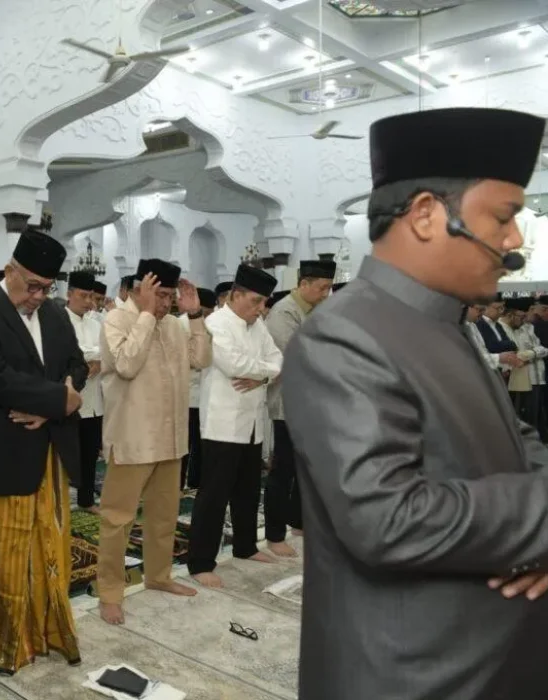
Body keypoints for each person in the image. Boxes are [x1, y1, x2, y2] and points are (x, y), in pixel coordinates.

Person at [284, 107, 548, 700]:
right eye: (503, 217)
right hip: (416, 676)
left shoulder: (441, 322)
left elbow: (515, 441)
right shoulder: (344, 335)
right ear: (427, 214)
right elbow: (388, 519)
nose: (514, 241)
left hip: (490, 662)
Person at [0, 229, 87, 675]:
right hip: (3, 453)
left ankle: (48, 633)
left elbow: (76, 364)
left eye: (46, 288)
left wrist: (57, 405)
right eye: (32, 285)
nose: (38, 296)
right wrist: (59, 401)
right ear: (10, 270)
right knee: (4, 552)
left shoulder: (54, 314)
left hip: (49, 451)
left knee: (50, 547)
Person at [97, 260, 212, 625]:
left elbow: (202, 359)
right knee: (118, 520)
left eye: (169, 296)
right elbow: (126, 365)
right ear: (138, 289)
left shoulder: (175, 325)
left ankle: (159, 576)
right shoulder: (117, 320)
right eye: (159, 295)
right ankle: (109, 592)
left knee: (164, 516)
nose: (165, 303)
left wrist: (195, 316)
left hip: (170, 438)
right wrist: (146, 315)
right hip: (132, 437)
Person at [187, 264, 281, 588]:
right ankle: (200, 562)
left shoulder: (258, 326)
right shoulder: (216, 324)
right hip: (223, 423)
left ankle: (245, 546)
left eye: (264, 303)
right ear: (235, 295)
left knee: (248, 490)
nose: (261, 309)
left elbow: (278, 359)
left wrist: (262, 377)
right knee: (214, 495)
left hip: (252, 422)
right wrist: (265, 372)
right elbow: (233, 365)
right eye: (256, 301)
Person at [263, 260, 334, 556]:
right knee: (283, 470)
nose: (326, 294)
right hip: (288, 404)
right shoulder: (284, 312)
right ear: (304, 284)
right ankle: (274, 534)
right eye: (322, 288)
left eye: (329, 288)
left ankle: (299, 521)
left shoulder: (317, 310)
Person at [64, 271, 103, 512]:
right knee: (66, 454)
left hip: (95, 399)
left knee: (90, 453)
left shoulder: (96, 323)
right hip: (70, 399)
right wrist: (93, 356)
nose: (89, 302)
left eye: (91, 297)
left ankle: (86, 500)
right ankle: (58, 500)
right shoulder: (60, 321)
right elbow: (74, 352)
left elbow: (109, 351)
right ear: (69, 294)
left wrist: (96, 359)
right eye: (83, 296)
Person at [179, 287, 216, 490]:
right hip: (186, 394)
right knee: (183, 443)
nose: (207, 316)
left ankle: (195, 481)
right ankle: (178, 485)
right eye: (205, 312)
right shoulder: (180, 324)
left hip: (205, 394)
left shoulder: (210, 324)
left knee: (201, 442)